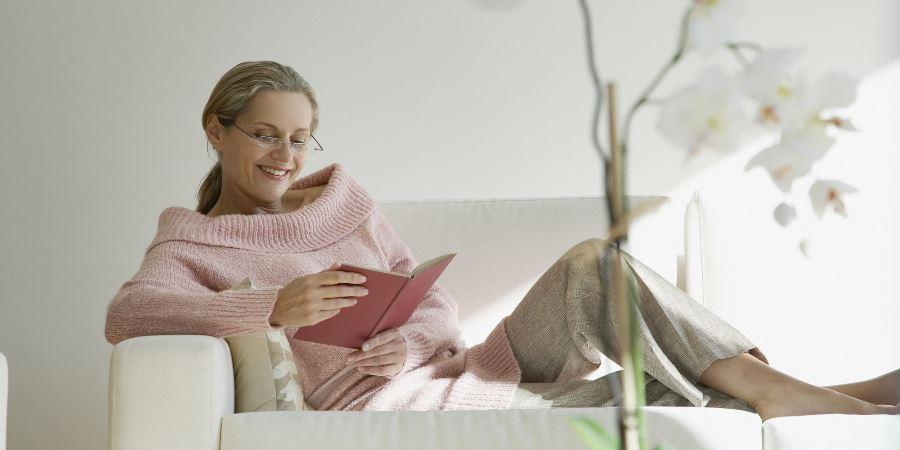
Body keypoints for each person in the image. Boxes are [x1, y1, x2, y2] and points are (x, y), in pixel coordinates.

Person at [104, 60, 900, 420]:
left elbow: (436, 303)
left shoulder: (346, 205)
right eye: (265, 136)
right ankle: (834, 398)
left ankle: (791, 389)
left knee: (594, 262)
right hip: (386, 408)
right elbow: (129, 315)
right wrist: (270, 309)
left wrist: (410, 343)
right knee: (651, 397)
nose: (285, 156)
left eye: (301, 138)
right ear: (217, 131)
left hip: (455, 363)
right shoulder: (192, 243)